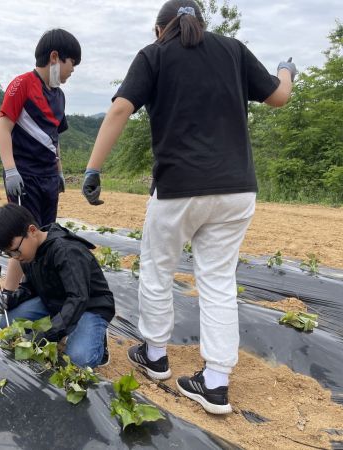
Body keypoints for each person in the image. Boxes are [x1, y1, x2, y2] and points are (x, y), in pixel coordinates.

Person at [82, 0, 295, 414]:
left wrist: (92, 169)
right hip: (235, 190)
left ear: (160, 28)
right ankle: (215, 382)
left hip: (179, 189)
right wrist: (286, 68)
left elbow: (121, 108)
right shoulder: (232, 49)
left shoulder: (155, 54)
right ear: (200, 22)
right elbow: (280, 96)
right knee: (217, 281)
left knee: (159, 268)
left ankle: (156, 356)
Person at [0, 28, 81, 296]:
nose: (72, 71)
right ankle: (9, 294)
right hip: (24, 177)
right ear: (55, 57)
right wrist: (10, 170)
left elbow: (54, 138)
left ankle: (32, 289)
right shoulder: (22, 84)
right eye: (72, 64)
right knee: (22, 237)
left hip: (47, 177)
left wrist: (59, 172)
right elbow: (3, 128)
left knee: (43, 235)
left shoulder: (59, 96)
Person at [0, 204, 115, 368]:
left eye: (15, 251)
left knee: (79, 359)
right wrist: (9, 299)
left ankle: (98, 338)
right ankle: (64, 326)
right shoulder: (28, 254)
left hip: (88, 306)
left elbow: (78, 299)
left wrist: (48, 334)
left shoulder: (66, 251)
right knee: (6, 324)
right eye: (8, 254)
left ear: (32, 231)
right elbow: (29, 288)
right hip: (54, 301)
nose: (14, 257)